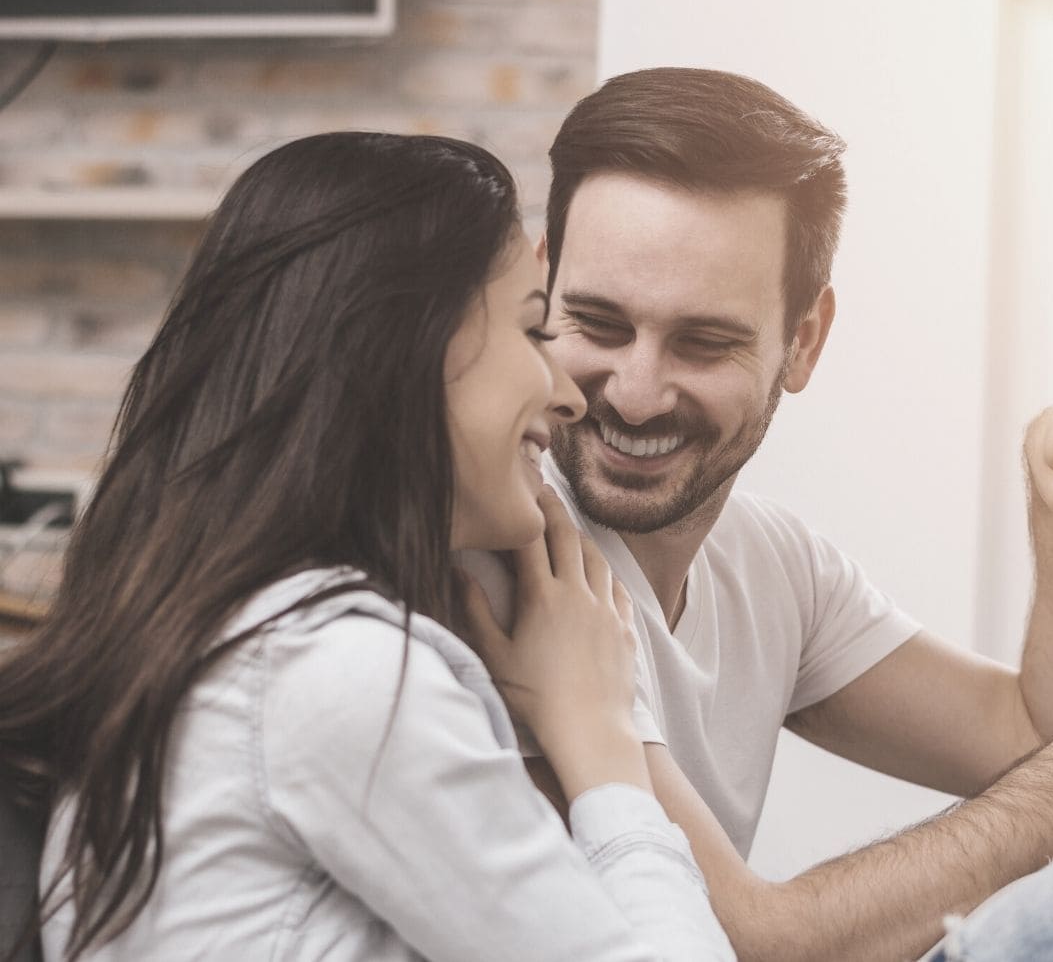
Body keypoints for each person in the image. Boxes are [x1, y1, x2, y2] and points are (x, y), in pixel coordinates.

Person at [461, 68, 1053, 961]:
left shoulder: (769, 564)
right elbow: (752, 944)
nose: (637, 394)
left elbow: (1044, 741)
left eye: (704, 342)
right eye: (599, 325)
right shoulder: (517, 566)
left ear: (803, 341)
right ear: (541, 287)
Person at [0, 133, 734, 962]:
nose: (568, 394)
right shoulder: (337, 677)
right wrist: (602, 743)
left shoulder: (239, 643)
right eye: (534, 330)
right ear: (406, 347)